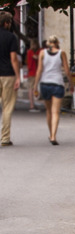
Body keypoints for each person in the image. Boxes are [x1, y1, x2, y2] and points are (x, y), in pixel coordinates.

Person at [34, 35, 73, 145]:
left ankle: (50, 133)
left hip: (45, 84)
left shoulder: (42, 53)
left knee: (48, 111)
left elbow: (39, 70)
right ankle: (53, 136)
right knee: (55, 111)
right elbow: (66, 70)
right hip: (57, 84)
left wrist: (35, 86)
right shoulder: (62, 53)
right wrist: (71, 84)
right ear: (57, 43)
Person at [0, 11, 20, 147]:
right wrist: (18, 76)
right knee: (7, 107)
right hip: (7, 74)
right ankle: (5, 138)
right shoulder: (11, 37)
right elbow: (13, 58)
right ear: (6, 23)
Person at [26, 38, 40, 112]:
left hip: (34, 72)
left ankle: (33, 104)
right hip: (32, 72)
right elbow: (36, 57)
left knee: (33, 88)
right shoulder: (30, 52)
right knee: (31, 89)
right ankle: (31, 105)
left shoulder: (32, 52)